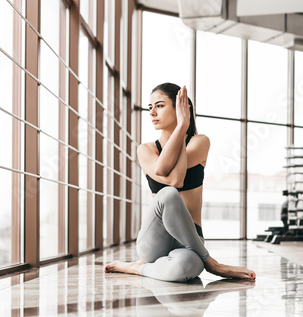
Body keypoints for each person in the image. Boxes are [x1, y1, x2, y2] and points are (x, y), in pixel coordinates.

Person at [104, 83, 256, 282]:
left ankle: (137, 269)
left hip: (190, 241)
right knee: (167, 194)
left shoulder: (200, 142)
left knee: (184, 269)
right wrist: (181, 126)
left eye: (159, 105)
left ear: (182, 108)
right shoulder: (146, 149)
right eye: (150, 107)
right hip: (155, 239)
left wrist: (182, 128)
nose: (152, 113)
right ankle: (212, 264)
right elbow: (174, 182)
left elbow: (171, 175)